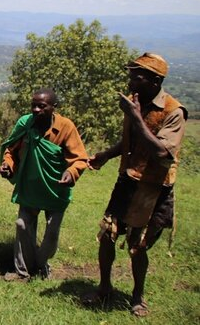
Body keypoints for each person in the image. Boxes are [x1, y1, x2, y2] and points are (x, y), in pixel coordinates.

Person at [82, 53, 186, 317]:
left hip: (154, 187)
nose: (130, 81)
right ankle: (104, 288)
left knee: (137, 245)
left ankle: (138, 297)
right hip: (128, 180)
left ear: (155, 81)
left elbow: (162, 152)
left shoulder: (174, 112)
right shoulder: (136, 104)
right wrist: (107, 154)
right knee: (107, 235)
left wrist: (136, 117)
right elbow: (134, 142)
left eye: (136, 77)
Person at [0, 88, 88, 280]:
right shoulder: (25, 124)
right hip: (30, 186)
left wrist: (71, 172)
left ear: (54, 107)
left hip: (56, 188)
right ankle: (22, 271)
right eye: (34, 106)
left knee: (52, 233)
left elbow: (80, 158)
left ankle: (40, 265)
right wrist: (8, 165)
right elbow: (11, 150)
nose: (37, 110)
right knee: (22, 225)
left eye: (42, 106)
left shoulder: (66, 127)